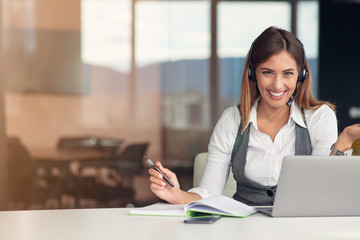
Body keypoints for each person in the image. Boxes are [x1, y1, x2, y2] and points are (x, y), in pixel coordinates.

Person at [148, 26, 360, 206]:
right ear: (253, 73)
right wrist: (178, 195)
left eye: (288, 73)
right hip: (243, 230)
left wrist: (345, 139)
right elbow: (209, 193)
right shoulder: (232, 120)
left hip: (299, 228)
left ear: (301, 76)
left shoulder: (319, 117)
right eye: (267, 72)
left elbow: (321, 189)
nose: (277, 85)